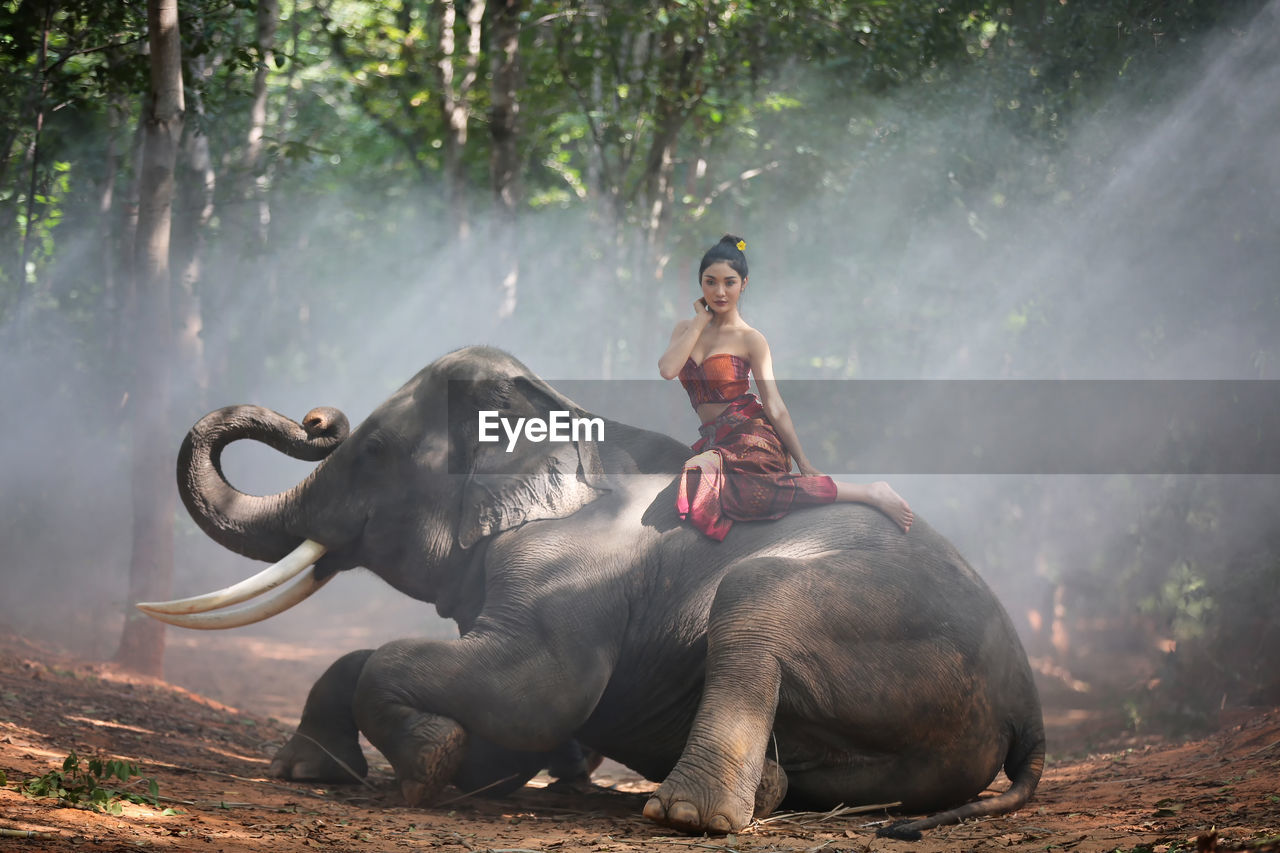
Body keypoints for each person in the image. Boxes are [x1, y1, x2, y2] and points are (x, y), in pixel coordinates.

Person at [657, 234, 913, 541]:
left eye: (730, 282)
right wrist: (699, 321)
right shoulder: (685, 329)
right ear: (701, 283)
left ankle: (869, 492)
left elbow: (774, 404)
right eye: (711, 282)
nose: (720, 291)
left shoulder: (751, 339)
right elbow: (668, 369)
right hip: (716, 442)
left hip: (751, 436)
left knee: (738, 487)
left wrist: (803, 462)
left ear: (744, 284)